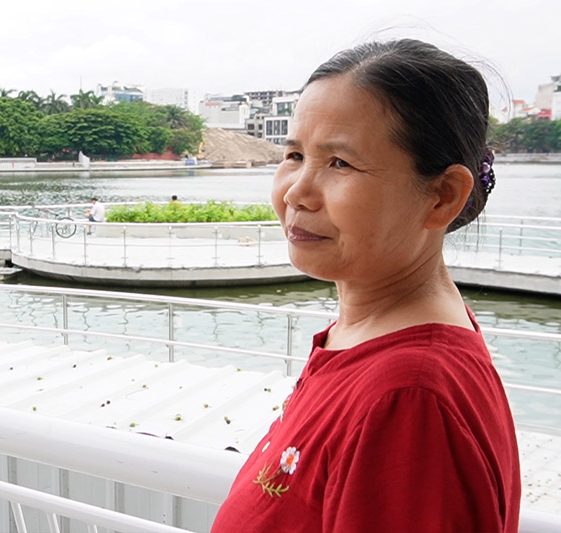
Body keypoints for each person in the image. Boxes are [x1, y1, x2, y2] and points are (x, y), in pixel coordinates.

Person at [211, 39, 520, 532]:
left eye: (340, 163)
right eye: (294, 154)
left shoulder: (410, 400)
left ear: (442, 197)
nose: (296, 191)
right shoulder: (366, 340)